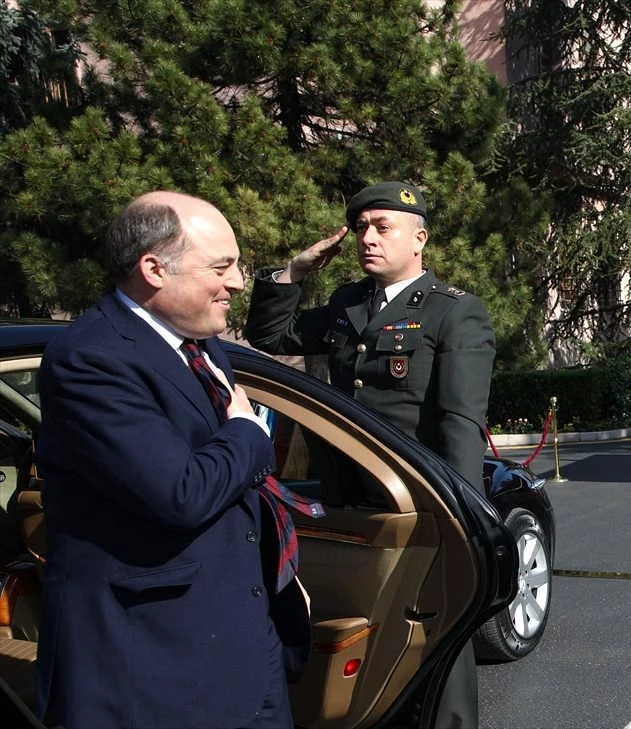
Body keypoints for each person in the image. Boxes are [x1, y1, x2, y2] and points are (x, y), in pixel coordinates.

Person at [36, 191, 313, 728]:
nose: (235, 282)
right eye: (221, 266)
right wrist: (247, 433)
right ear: (153, 269)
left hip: (244, 655)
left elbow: (234, 491)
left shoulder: (200, 344)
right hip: (154, 671)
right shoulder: (91, 358)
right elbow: (180, 493)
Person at [243, 180, 493, 729]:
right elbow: (270, 335)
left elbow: (460, 422)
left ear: (419, 238)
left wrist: (461, 514)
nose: (367, 238)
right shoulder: (346, 304)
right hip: (349, 497)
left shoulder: (454, 312)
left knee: (435, 623)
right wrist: (295, 271)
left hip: (418, 498)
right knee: (369, 623)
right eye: (361, 228)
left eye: (383, 228)